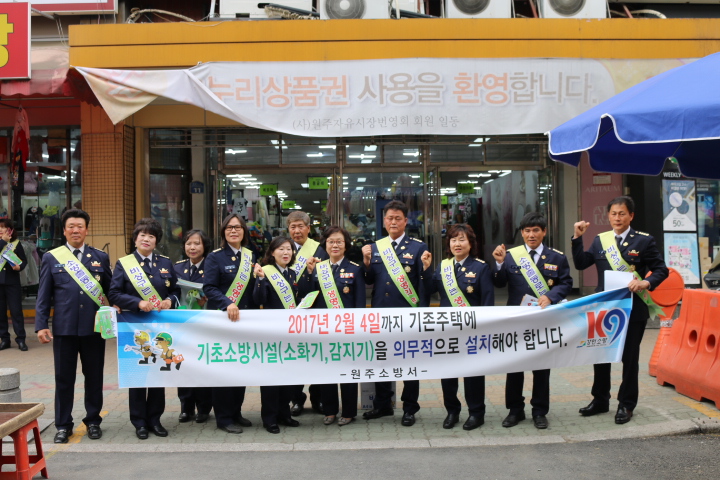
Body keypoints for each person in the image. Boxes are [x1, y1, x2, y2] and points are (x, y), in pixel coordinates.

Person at [572, 196, 668, 424]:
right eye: (613, 214)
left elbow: (661, 270)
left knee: (630, 358)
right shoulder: (600, 240)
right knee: (600, 355)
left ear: (631, 216)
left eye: (622, 213)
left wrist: (645, 282)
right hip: (604, 309)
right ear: (608, 216)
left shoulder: (644, 241)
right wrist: (577, 238)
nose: (617, 218)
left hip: (633, 309)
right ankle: (600, 400)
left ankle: (626, 404)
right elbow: (581, 263)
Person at [35, 209, 112, 443]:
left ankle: (93, 421)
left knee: (94, 377)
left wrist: (117, 310)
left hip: (93, 329)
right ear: (65, 230)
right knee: (64, 379)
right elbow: (43, 294)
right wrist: (41, 324)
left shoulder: (100, 257)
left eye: (80, 226)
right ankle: (63, 425)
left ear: (86, 230)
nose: (75, 230)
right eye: (71, 226)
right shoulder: (52, 257)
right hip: (64, 329)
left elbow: (111, 291)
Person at [492, 212, 573, 430]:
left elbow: (566, 283)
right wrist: (499, 264)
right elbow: (499, 284)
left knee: (541, 368)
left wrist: (551, 296)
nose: (531, 235)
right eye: (527, 231)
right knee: (514, 367)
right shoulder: (511, 256)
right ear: (522, 233)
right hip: (516, 320)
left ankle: (539, 411)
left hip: (543, 319)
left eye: (536, 230)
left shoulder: (557, 257)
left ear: (544, 232)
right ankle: (514, 410)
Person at [362, 200, 433, 427]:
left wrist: (422, 313)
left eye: (398, 218)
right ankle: (383, 404)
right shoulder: (375, 247)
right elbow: (369, 280)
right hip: (381, 314)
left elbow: (424, 284)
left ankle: (410, 408)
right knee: (382, 360)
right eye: (389, 218)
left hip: (407, 315)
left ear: (405, 221)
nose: (393, 222)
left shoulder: (418, 247)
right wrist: (366, 262)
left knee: (409, 362)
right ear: (384, 221)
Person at [109, 218, 180, 440]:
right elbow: (114, 293)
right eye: (142, 235)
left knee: (158, 373)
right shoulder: (124, 264)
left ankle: (155, 420)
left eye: (151, 236)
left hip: (160, 328)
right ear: (135, 238)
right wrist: (137, 302)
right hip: (135, 327)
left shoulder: (165, 263)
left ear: (156, 241)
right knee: (138, 373)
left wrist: (170, 300)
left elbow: (176, 291)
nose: (146, 239)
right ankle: (139, 422)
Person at [426, 224, 493, 431]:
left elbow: (487, 302)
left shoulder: (481, 268)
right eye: (453, 240)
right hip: (448, 330)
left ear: (470, 244)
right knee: (448, 373)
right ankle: (452, 411)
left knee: (473, 374)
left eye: (462, 239)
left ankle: (476, 413)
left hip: (472, 331)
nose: (457, 244)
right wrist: (426, 269)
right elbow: (429, 290)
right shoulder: (443, 266)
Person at [303, 226, 364, 427]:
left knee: (347, 373)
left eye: (339, 241)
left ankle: (348, 412)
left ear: (346, 245)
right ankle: (329, 411)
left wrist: (357, 329)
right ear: (325, 245)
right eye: (331, 241)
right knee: (326, 371)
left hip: (347, 330)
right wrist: (308, 273)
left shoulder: (355, 268)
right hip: (324, 329)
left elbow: (359, 303)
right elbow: (309, 297)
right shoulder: (317, 268)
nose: (335, 245)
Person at [203, 215, 257, 434]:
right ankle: (224, 418)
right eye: (229, 228)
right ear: (223, 232)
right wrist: (227, 303)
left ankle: (236, 412)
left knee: (240, 367)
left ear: (244, 231)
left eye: (238, 227)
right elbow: (209, 287)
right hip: (222, 320)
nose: (233, 231)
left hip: (244, 321)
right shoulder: (214, 257)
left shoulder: (250, 256)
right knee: (224, 369)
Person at [253, 236, 309, 434]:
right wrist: (260, 279)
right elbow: (259, 299)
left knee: (287, 376)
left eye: (289, 249)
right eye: (281, 249)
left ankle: (284, 414)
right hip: (272, 332)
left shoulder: (292, 273)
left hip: (290, 333)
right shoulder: (265, 272)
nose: (286, 253)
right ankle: (269, 418)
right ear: (272, 252)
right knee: (271, 378)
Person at [287, 211, 328, 416]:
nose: (297, 231)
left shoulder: (320, 250)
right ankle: (296, 398)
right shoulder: (283, 249)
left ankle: (317, 397)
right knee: (295, 357)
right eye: (293, 227)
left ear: (308, 228)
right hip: (291, 311)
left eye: (300, 226)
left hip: (316, 310)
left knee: (317, 356)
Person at [173, 229, 213, 426]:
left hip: (205, 324)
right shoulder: (177, 267)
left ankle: (203, 408)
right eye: (189, 243)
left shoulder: (211, 266)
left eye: (197, 243)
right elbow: (171, 291)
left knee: (203, 365)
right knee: (184, 365)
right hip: (183, 325)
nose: (192, 247)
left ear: (204, 246)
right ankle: (185, 407)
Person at [0, 219, 28, 351]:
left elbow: (24, 261)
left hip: (12, 283)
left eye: (3, 227)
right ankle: (4, 339)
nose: (1, 230)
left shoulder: (16, 243)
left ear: (10, 230)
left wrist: (19, 267)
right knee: (0, 313)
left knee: (16, 312)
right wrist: (3, 242)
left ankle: (21, 339)